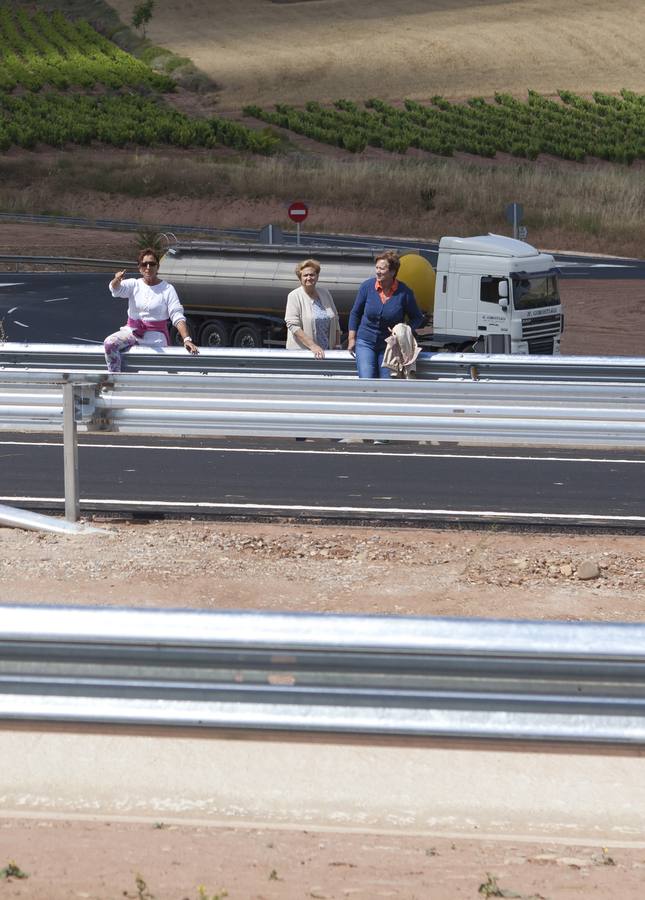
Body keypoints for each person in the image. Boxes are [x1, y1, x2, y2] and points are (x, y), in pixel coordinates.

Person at [104, 247, 199, 373]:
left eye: (152, 264)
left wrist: (187, 339)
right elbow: (115, 289)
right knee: (109, 343)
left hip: (156, 337)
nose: (148, 267)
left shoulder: (167, 289)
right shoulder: (134, 284)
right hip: (132, 333)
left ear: (157, 267)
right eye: (144, 264)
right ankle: (115, 381)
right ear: (139, 268)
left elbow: (177, 315)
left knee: (157, 373)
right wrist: (117, 279)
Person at [347, 250, 425, 378]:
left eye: (382, 269)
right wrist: (351, 339)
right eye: (377, 267)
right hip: (365, 341)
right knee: (367, 378)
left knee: (387, 382)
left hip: (390, 346)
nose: (378, 271)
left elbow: (417, 318)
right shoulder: (366, 287)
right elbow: (355, 313)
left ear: (393, 272)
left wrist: (404, 330)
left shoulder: (404, 293)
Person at [284, 258, 341, 358]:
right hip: (304, 354)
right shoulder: (294, 296)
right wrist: (313, 347)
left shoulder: (325, 293)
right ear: (300, 278)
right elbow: (293, 326)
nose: (309, 278)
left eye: (312, 274)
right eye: (305, 275)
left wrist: (337, 345)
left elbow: (335, 320)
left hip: (327, 353)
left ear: (317, 276)